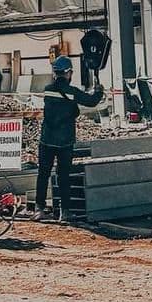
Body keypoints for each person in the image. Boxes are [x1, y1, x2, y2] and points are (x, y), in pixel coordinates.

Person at [34, 54, 104, 222]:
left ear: (55, 72)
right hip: (65, 141)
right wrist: (99, 90)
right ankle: (65, 212)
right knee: (64, 175)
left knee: (43, 174)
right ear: (68, 73)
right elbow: (91, 101)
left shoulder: (48, 90)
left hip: (47, 139)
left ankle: (39, 209)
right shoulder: (72, 92)